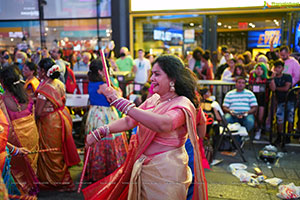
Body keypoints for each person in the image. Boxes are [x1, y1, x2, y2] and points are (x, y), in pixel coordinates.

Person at [83, 54, 208, 200]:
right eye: (151, 74)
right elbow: (130, 121)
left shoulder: (182, 103)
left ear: (172, 79)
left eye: (157, 74)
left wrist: (122, 104)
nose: (151, 79)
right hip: (144, 166)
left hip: (167, 172)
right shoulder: (155, 99)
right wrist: (101, 132)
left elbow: (163, 124)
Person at [35, 58, 80, 191]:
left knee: (51, 152)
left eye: (39, 69)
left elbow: (38, 112)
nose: (38, 72)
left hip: (49, 121)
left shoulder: (44, 88)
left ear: (43, 71)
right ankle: (60, 179)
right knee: (58, 150)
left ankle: (58, 181)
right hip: (61, 117)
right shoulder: (59, 83)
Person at [84, 59, 128, 182]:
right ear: (100, 71)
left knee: (97, 140)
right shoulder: (103, 86)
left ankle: (96, 171)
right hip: (105, 115)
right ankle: (109, 172)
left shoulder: (92, 83)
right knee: (108, 140)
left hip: (94, 114)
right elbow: (117, 97)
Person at [0, 66, 39, 196]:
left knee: (18, 171)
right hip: (31, 135)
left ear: (2, 82)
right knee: (31, 163)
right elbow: (33, 117)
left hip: (15, 138)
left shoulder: (3, 101)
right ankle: (32, 192)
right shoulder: (27, 97)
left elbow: (4, 126)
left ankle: (22, 194)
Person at [269, 59, 293, 144]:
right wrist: (272, 78)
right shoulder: (273, 78)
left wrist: (277, 89)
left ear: (282, 68)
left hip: (289, 100)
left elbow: (286, 88)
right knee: (280, 118)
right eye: (276, 67)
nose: (277, 69)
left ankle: (288, 136)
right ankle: (279, 136)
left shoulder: (287, 76)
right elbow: (272, 88)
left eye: (279, 67)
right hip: (279, 101)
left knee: (290, 118)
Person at [248, 63, 270, 140]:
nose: (259, 71)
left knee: (260, 117)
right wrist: (252, 74)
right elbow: (250, 84)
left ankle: (259, 129)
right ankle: (256, 130)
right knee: (254, 115)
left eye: (261, 69)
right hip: (253, 99)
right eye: (257, 69)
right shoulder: (252, 78)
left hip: (262, 100)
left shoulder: (266, 79)